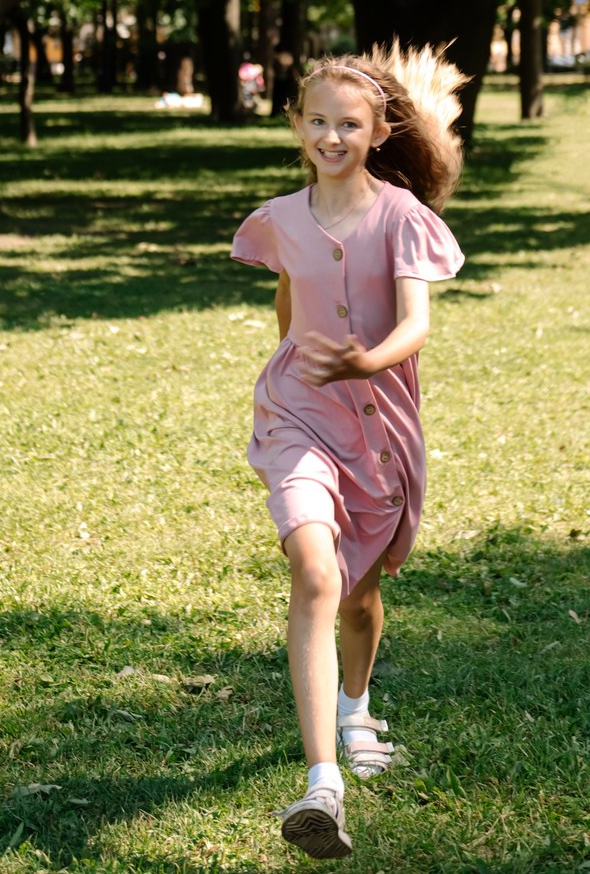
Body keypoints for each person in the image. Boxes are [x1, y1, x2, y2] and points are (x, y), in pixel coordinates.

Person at [231, 42, 466, 860]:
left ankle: (355, 707)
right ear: (296, 125)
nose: (332, 137)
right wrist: (303, 374)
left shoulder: (403, 217)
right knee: (316, 573)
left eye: (350, 125)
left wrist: (365, 360)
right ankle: (321, 785)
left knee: (361, 596)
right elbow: (287, 304)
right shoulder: (277, 220)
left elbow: (416, 325)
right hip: (297, 417)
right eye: (319, 121)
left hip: (379, 429)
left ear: (379, 130)